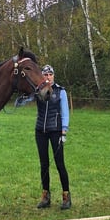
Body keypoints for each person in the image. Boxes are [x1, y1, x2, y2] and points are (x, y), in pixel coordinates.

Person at [33, 64, 71, 210]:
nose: (48, 77)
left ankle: (66, 196)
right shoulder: (39, 91)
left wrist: (64, 131)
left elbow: (65, 112)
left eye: (50, 75)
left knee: (60, 164)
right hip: (40, 130)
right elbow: (24, 101)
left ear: (53, 76)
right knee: (44, 165)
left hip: (55, 130)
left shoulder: (60, 91)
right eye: (45, 75)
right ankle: (45, 196)